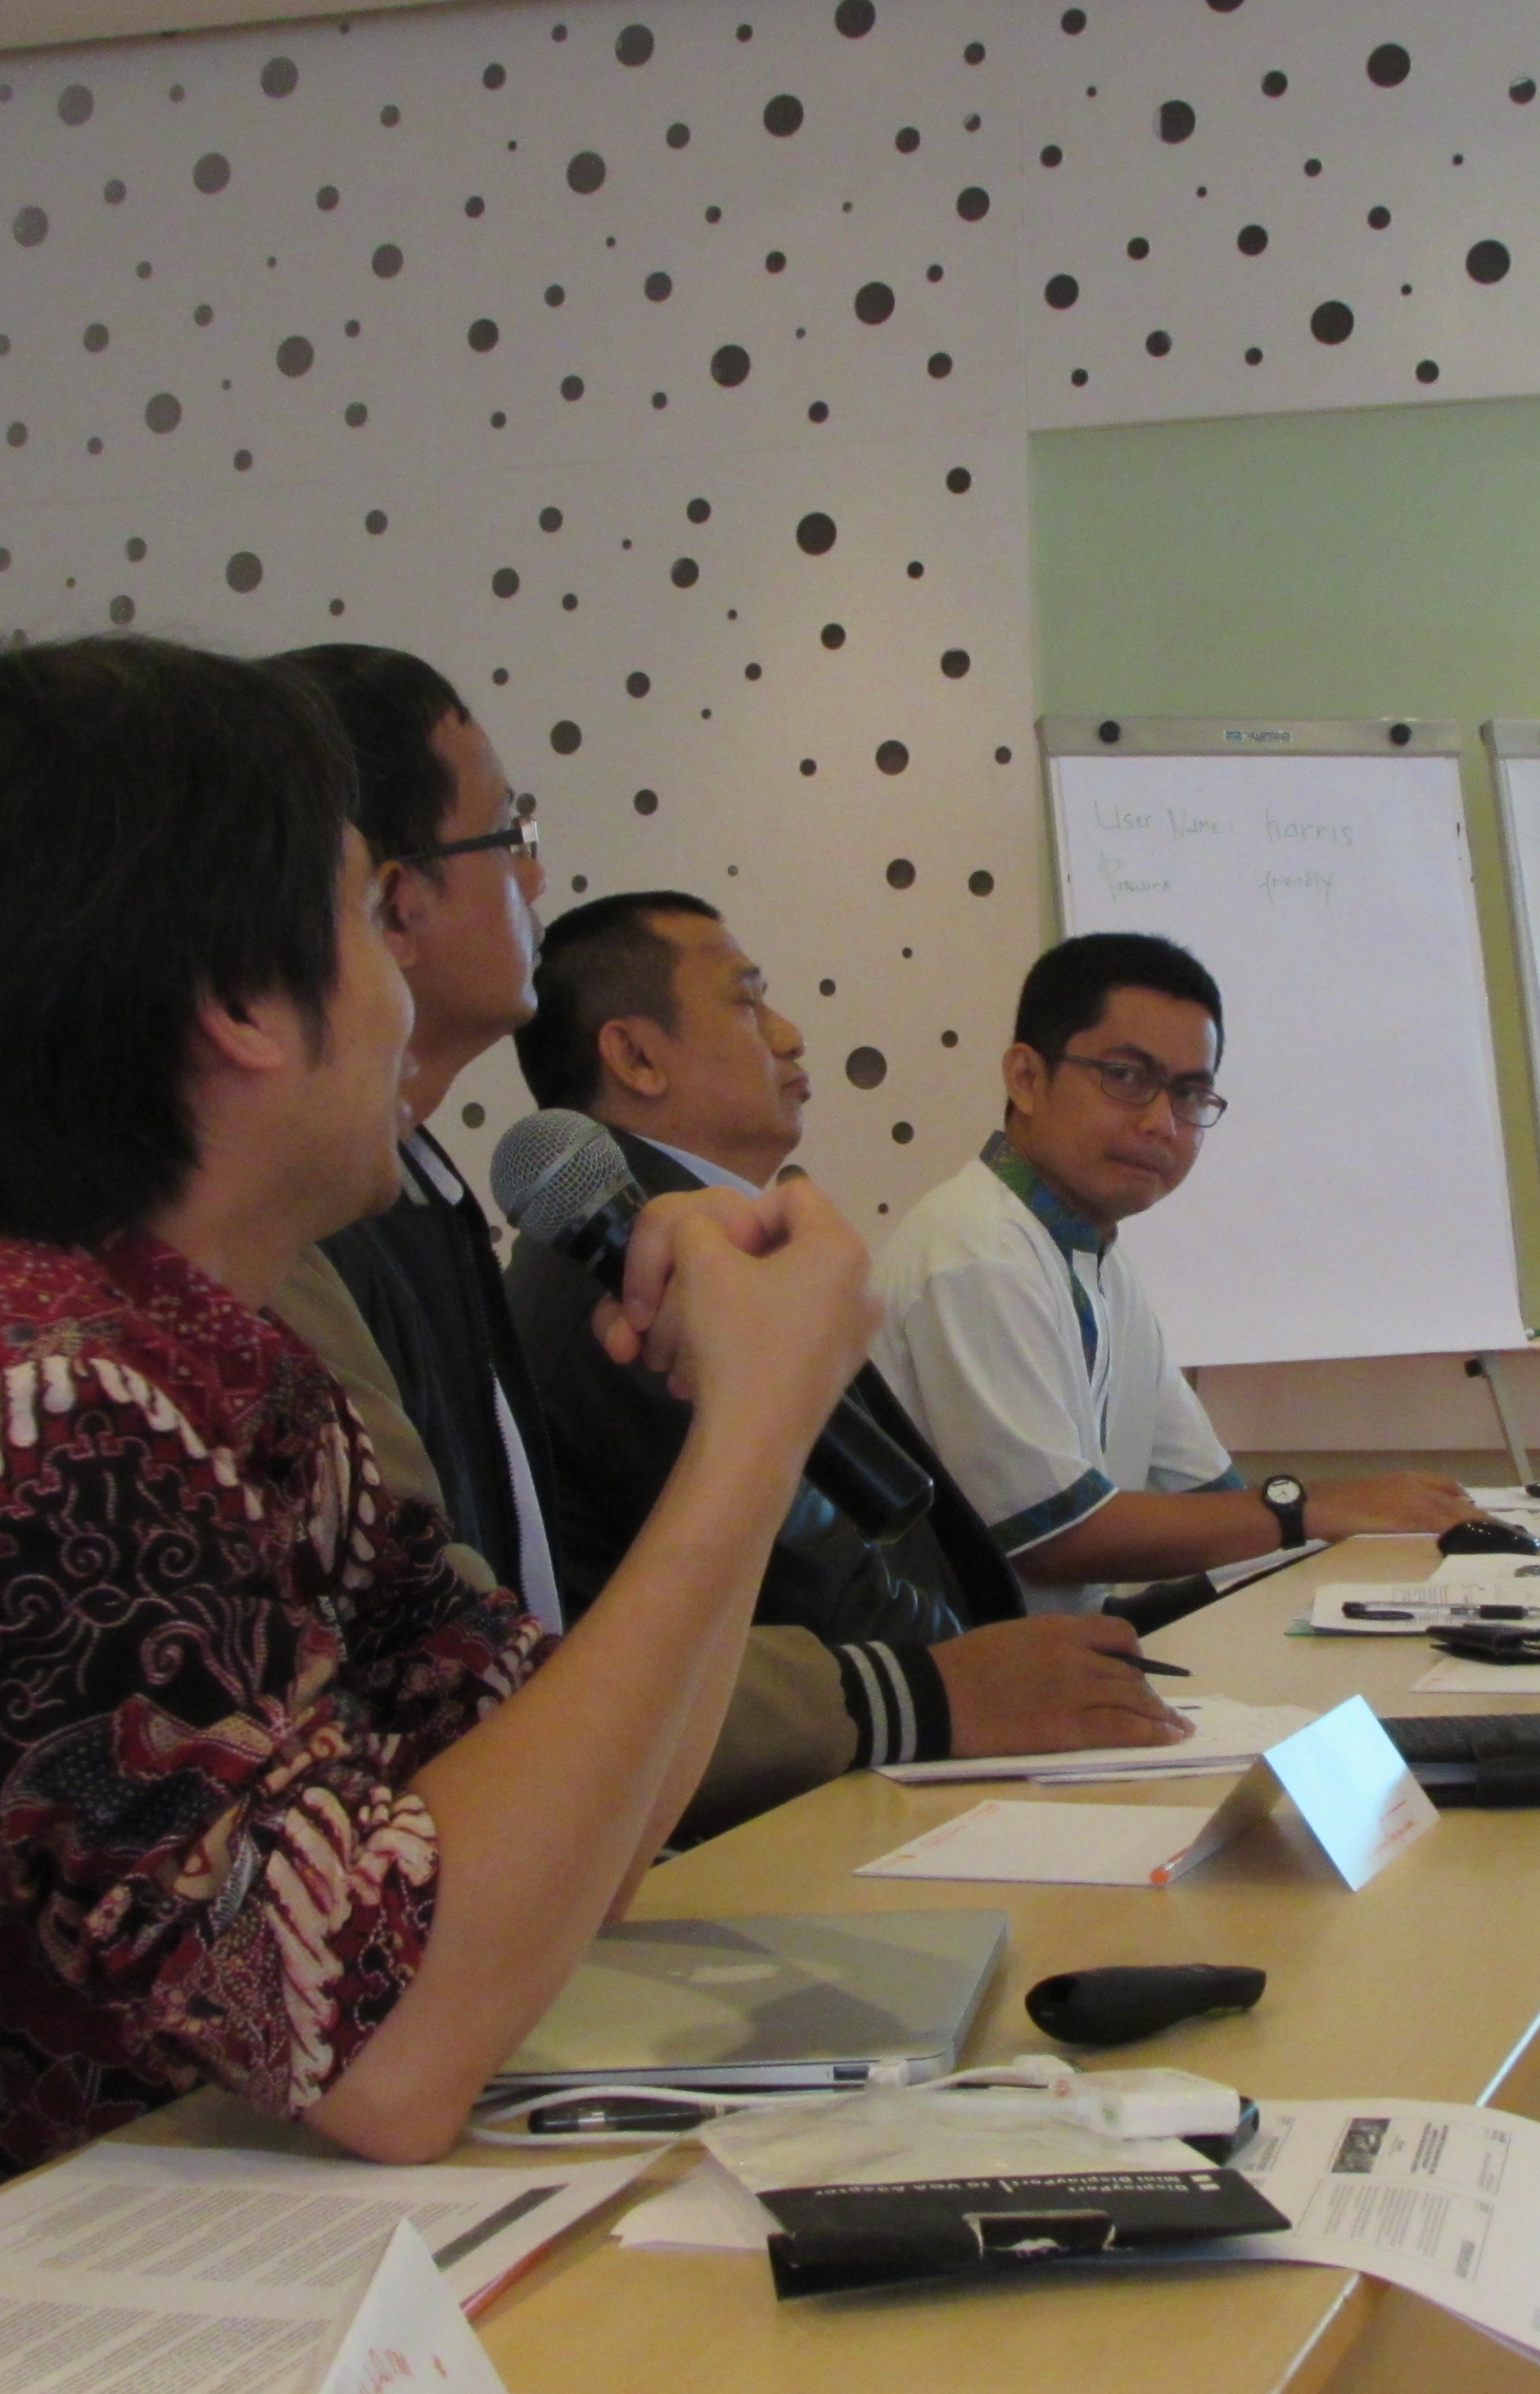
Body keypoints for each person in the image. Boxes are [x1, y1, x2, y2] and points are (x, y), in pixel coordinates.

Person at [0, 639, 872, 2387]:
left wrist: (744, 1409)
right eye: (366, 914)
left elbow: (564, 1819)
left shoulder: (187, 1357)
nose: (404, 984)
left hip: (86, 2279)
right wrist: (752, 1438)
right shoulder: (10, 1401)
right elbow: (388, 2051)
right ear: (238, 1000)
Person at [271, 648, 1155, 1823]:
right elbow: (455, 1697)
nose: (536, 874)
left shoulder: (430, 1194)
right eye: (509, 833)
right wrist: (923, 1690)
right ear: (389, 904)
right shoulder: (322, 1248)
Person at [503, 889, 1193, 1764]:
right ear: (637, 1056)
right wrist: (985, 1688)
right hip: (821, 1766)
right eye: (748, 1001)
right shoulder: (635, 1271)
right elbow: (814, 1584)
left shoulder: (688, 1235)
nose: (789, 1035)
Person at [872, 932, 1469, 1616]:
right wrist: (1318, 1505)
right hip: (962, 1667)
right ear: (1027, 1078)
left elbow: (1215, 1503)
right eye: (1126, 1077)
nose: (1162, 1123)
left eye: (1190, 1093)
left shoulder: (1096, 1259)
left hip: (1057, 1650)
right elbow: (1059, 1540)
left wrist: (1379, 1516)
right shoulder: (974, 1251)